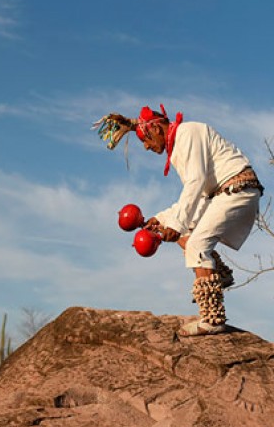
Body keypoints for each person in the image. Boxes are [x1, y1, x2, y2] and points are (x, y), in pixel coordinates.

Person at [94, 105, 263, 336]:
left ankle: (212, 321)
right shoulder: (178, 149)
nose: (145, 146)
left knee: (196, 244)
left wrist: (175, 224)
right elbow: (197, 194)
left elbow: (196, 183)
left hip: (237, 189)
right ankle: (217, 275)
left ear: (154, 127)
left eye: (145, 139)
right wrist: (162, 220)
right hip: (224, 193)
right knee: (186, 236)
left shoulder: (188, 133)